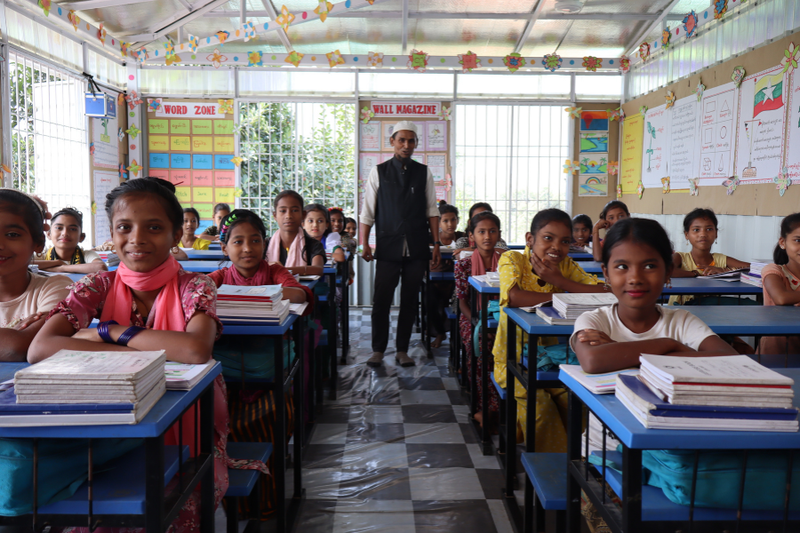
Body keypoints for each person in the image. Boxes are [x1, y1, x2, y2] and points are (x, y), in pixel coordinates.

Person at [29, 178, 264, 531]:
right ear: (112, 233)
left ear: (174, 236)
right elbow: (40, 348)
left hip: (189, 418)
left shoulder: (195, 286)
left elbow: (195, 350)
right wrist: (152, 345)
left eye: (154, 228)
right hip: (109, 414)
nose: (137, 238)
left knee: (173, 506)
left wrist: (110, 332)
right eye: (125, 227)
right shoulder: (98, 284)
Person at [570, 218, 737, 531]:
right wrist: (668, 347)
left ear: (668, 273)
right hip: (605, 459)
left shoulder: (681, 322)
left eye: (649, 265)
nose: (635, 278)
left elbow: (729, 362)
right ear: (605, 273)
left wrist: (630, 351)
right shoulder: (595, 320)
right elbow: (592, 359)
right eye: (621, 266)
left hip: (676, 457)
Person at [492, 208, 605, 450]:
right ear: (529, 239)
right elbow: (513, 296)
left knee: (578, 403)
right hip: (512, 361)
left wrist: (561, 282)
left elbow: (605, 292)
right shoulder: (512, 259)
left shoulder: (565, 267)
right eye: (548, 238)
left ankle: (582, 465)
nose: (556, 247)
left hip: (551, 360)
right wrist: (563, 293)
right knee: (541, 409)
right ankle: (557, 475)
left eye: (564, 241)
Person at [359, 120, 441, 368]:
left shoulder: (423, 172)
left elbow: (431, 210)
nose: (407, 145)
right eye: (401, 140)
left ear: (416, 143)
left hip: (417, 247)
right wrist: (365, 244)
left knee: (409, 300)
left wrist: (436, 244)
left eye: (411, 140)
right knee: (381, 300)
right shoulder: (379, 172)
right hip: (387, 245)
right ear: (392, 142)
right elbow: (367, 212)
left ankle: (402, 349)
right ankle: (378, 349)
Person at [0, 189, 71, 361]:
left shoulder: (55, 288)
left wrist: (16, 338)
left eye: (12, 235)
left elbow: (18, 346)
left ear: (38, 243)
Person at [455, 211, 503, 428]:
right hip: (472, 318)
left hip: (502, 318)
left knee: (510, 349)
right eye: (481, 232)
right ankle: (485, 408)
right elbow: (462, 302)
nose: (487, 237)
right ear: (471, 236)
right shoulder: (463, 265)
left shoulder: (506, 262)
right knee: (481, 348)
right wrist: (480, 323)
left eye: (492, 231)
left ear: (499, 234)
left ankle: (506, 407)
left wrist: (497, 323)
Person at [757, 213, 800, 356]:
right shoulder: (774, 271)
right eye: (798, 240)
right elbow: (781, 298)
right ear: (783, 242)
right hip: (776, 349)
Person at [672, 208, 750, 277]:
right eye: (696, 230)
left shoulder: (720, 260)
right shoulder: (680, 257)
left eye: (709, 229)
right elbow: (667, 270)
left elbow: (755, 269)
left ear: (716, 234)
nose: (703, 234)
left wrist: (724, 271)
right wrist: (694, 274)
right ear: (686, 235)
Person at [267, 190, 325, 276]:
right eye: (283, 211)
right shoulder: (265, 244)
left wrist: (282, 270)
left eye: (294, 210)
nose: (289, 216)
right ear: (275, 215)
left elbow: (318, 269)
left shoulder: (313, 244)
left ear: (303, 215)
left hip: (302, 289)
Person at [34, 207, 107, 274]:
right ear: (49, 234)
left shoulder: (86, 255)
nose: (65, 233)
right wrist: (57, 262)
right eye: (59, 228)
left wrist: (62, 268)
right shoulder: (42, 255)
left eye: (72, 229)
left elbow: (101, 267)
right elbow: (24, 264)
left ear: (81, 237)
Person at [428, 201, 462, 348]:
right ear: (439, 223)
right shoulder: (432, 239)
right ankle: (440, 333)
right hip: (434, 281)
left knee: (459, 303)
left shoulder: (462, 238)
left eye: (453, 220)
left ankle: (457, 337)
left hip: (454, 281)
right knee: (430, 302)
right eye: (445, 221)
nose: (450, 224)